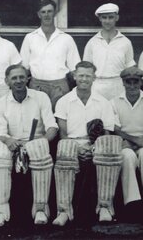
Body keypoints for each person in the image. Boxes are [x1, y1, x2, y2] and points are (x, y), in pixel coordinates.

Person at [0, 64, 58, 227]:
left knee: (39, 148)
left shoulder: (41, 97)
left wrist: (40, 142)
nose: (18, 81)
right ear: (7, 81)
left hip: (36, 144)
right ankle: (0, 212)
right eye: (14, 78)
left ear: (28, 79)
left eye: (21, 77)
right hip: (12, 144)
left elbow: (52, 127)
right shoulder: (0, 102)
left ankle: (40, 210)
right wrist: (9, 141)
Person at [53, 61, 121, 226]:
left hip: (95, 145)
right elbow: (62, 134)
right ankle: (64, 211)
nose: (84, 79)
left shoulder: (103, 102)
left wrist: (94, 148)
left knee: (108, 145)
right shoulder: (64, 101)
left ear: (94, 78)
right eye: (81, 75)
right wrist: (77, 149)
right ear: (74, 76)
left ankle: (104, 206)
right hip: (71, 144)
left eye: (88, 76)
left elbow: (106, 133)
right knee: (65, 147)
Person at [111, 68, 143, 221]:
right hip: (125, 145)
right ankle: (132, 202)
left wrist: (140, 143)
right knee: (127, 156)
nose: (132, 86)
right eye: (128, 82)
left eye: (136, 82)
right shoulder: (114, 102)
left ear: (141, 82)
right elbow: (115, 129)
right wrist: (137, 142)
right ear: (123, 83)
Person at [20, 0, 81, 109]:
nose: (46, 15)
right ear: (38, 14)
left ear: (55, 12)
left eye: (49, 11)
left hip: (60, 87)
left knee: (60, 118)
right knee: (37, 119)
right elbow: (24, 67)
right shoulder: (30, 38)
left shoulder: (66, 38)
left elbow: (75, 68)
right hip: (36, 86)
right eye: (43, 12)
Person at [83, 3, 142, 100]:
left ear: (117, 18)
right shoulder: (92, 42)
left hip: (118, 85)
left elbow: (130, 68)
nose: (107, 21)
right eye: (104, 17)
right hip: (97, 85)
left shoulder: (125, 42)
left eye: (111, 17)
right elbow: (86, 68)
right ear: (100, 19)